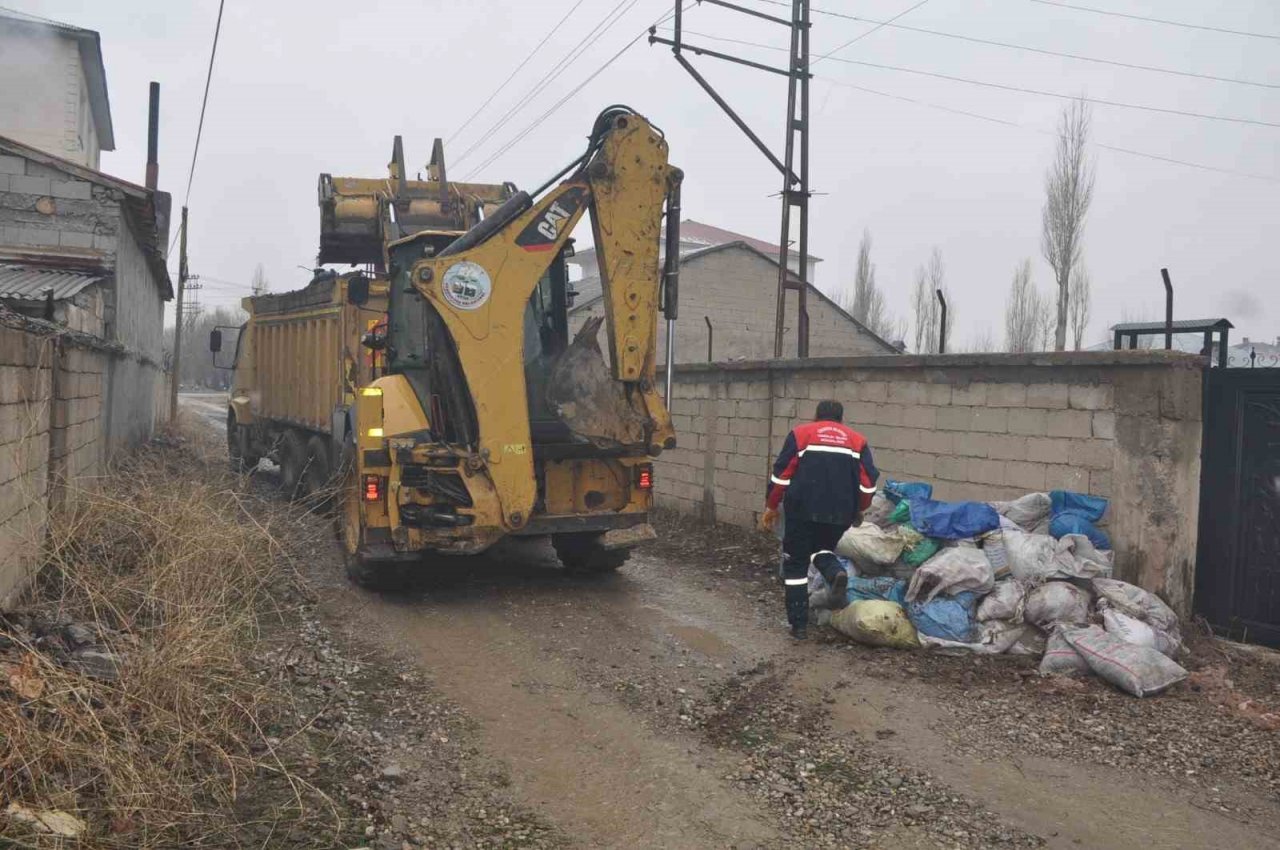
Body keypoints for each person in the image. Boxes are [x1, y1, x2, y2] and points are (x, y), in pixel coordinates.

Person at [759, 400, 879, 639]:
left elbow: (782, 476)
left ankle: (799, 625)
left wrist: (772, 505)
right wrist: (859, 508)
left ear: (817, 416)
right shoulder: (857, 441)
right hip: (840, 513)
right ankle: (835, 573)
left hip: (802, 510)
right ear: (841, 419)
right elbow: (868, 485)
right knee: (821, 548)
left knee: (796, 565)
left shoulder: (800, 435)